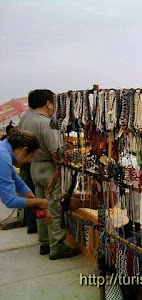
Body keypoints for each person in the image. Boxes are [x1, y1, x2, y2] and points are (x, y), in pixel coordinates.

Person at [21, 89, 80, 260]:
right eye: (53, 102)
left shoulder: (27, 120)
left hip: (34, 167)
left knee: (40, 205)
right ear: (48, 103)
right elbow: (56, 153)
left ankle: (44, 243)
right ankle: (57, 248)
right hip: (48, 169)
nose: (54, 107)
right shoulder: (46, 123)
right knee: (54, 208)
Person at [0, 128, 52, 224]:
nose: (29, 161)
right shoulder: (3, 157)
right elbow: (10, 201)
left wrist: (36, 204)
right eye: (31, 156)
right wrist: (39, 202)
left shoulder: (4, 150)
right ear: (24, 150)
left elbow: (18, 183)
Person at [17, 107, 37, 233]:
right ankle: (32, 225)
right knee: (32, 193)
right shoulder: (34, 118)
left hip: (26, 164)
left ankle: (30, 224)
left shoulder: (26, 117)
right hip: (29, 165)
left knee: (29, 191)